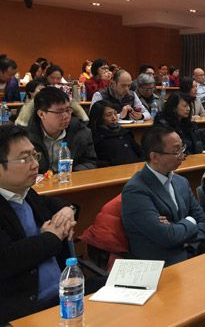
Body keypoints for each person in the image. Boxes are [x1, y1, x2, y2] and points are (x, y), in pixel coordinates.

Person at [0, 124, 78, 323]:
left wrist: (69, 209)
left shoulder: (26, 194)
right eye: (24, 159)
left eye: (35, 156)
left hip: (66, 293)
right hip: (26, 308)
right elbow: (7, 259)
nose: (35, 164)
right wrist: (51, 237)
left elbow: (56, 204)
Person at [121, 126, 205, 266]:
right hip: (161, 264)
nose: (182, 155)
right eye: (176, 151)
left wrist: (182, 235)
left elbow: (204, 221)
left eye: (182, 148)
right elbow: (167, 237)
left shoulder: (181, 181)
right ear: (155, 157)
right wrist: (191, 221)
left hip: (192, 252)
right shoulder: (135, 190)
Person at [26, 87, 97, 173]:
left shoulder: (81, 132)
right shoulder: (25, 137)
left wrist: (71, 173)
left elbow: (90, 162)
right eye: (59, 112)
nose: (66, 116)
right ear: (41, 114)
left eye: (68, 110)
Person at [88, 101, 143, 167]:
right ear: (99, 118)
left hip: (135, 168)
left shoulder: (124, 132)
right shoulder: (94, 136)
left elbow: (139, 152)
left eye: (115, 114)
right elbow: (94, 161)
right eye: (109, 115)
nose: (114, 118)